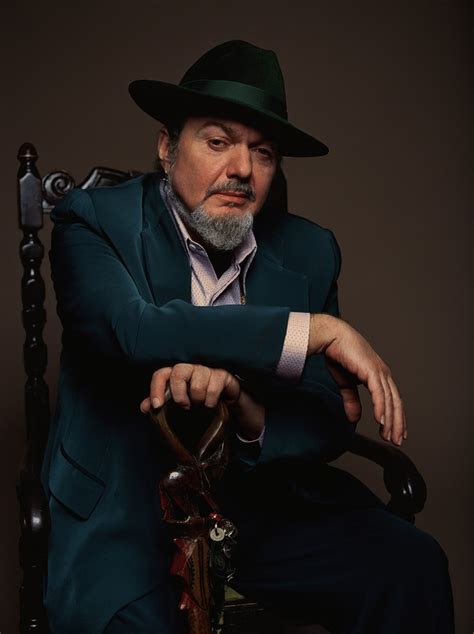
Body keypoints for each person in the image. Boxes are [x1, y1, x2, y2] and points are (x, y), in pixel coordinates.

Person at [42, 40, 454, 633]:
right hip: (128, 512)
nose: (240, 168)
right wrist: (308, 331)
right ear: (166, 145)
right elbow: (132, 329)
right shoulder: (93, 221)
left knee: (410, 565)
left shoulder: (309, 250)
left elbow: (325, 414)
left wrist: (247, 407)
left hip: (260, 510)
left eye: (262, 152)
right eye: (217, 141)